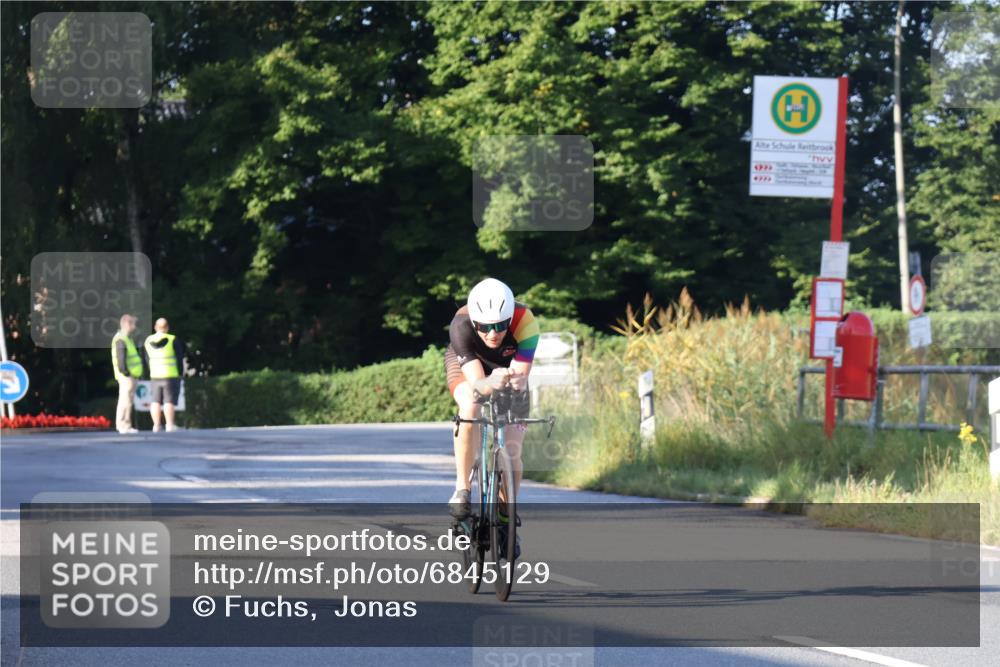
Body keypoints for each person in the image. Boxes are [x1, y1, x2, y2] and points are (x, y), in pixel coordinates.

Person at [445, 278, 539, 554]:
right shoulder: (461, 325)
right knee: (471, 406)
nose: (492, 333)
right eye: (484, 327)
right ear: (475, 321)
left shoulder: (526, 321)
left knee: (512, 452)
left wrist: (512, 380)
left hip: (508, 370)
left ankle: (505, 514)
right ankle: (462, 487)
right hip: (468, 366)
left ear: (510, 317)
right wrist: (491, 381)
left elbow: (521, 377)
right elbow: (477, 385)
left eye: (500, 325)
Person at [143, 318, 185, 433]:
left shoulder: (148, 341)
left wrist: (150, 371)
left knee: (155, 401)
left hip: (155, 375)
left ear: (155, 327)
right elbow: (179, 358)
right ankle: (169, 425)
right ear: (167, 327)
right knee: (168, 401)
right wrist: (181, 373)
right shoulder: (172, 339)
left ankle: (156, 425)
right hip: (170, 374)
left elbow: (146, 359)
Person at [111, 314, 144, 434]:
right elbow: (121, 359)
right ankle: (122, 425)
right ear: (127, 324)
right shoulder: (121, 339)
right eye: (133, 324)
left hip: (130, 375)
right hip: (127, 376)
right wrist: (126, 373)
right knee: (125, 400)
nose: (134, 327)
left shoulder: (126, 338)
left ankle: (126, 425)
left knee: (128, 401)